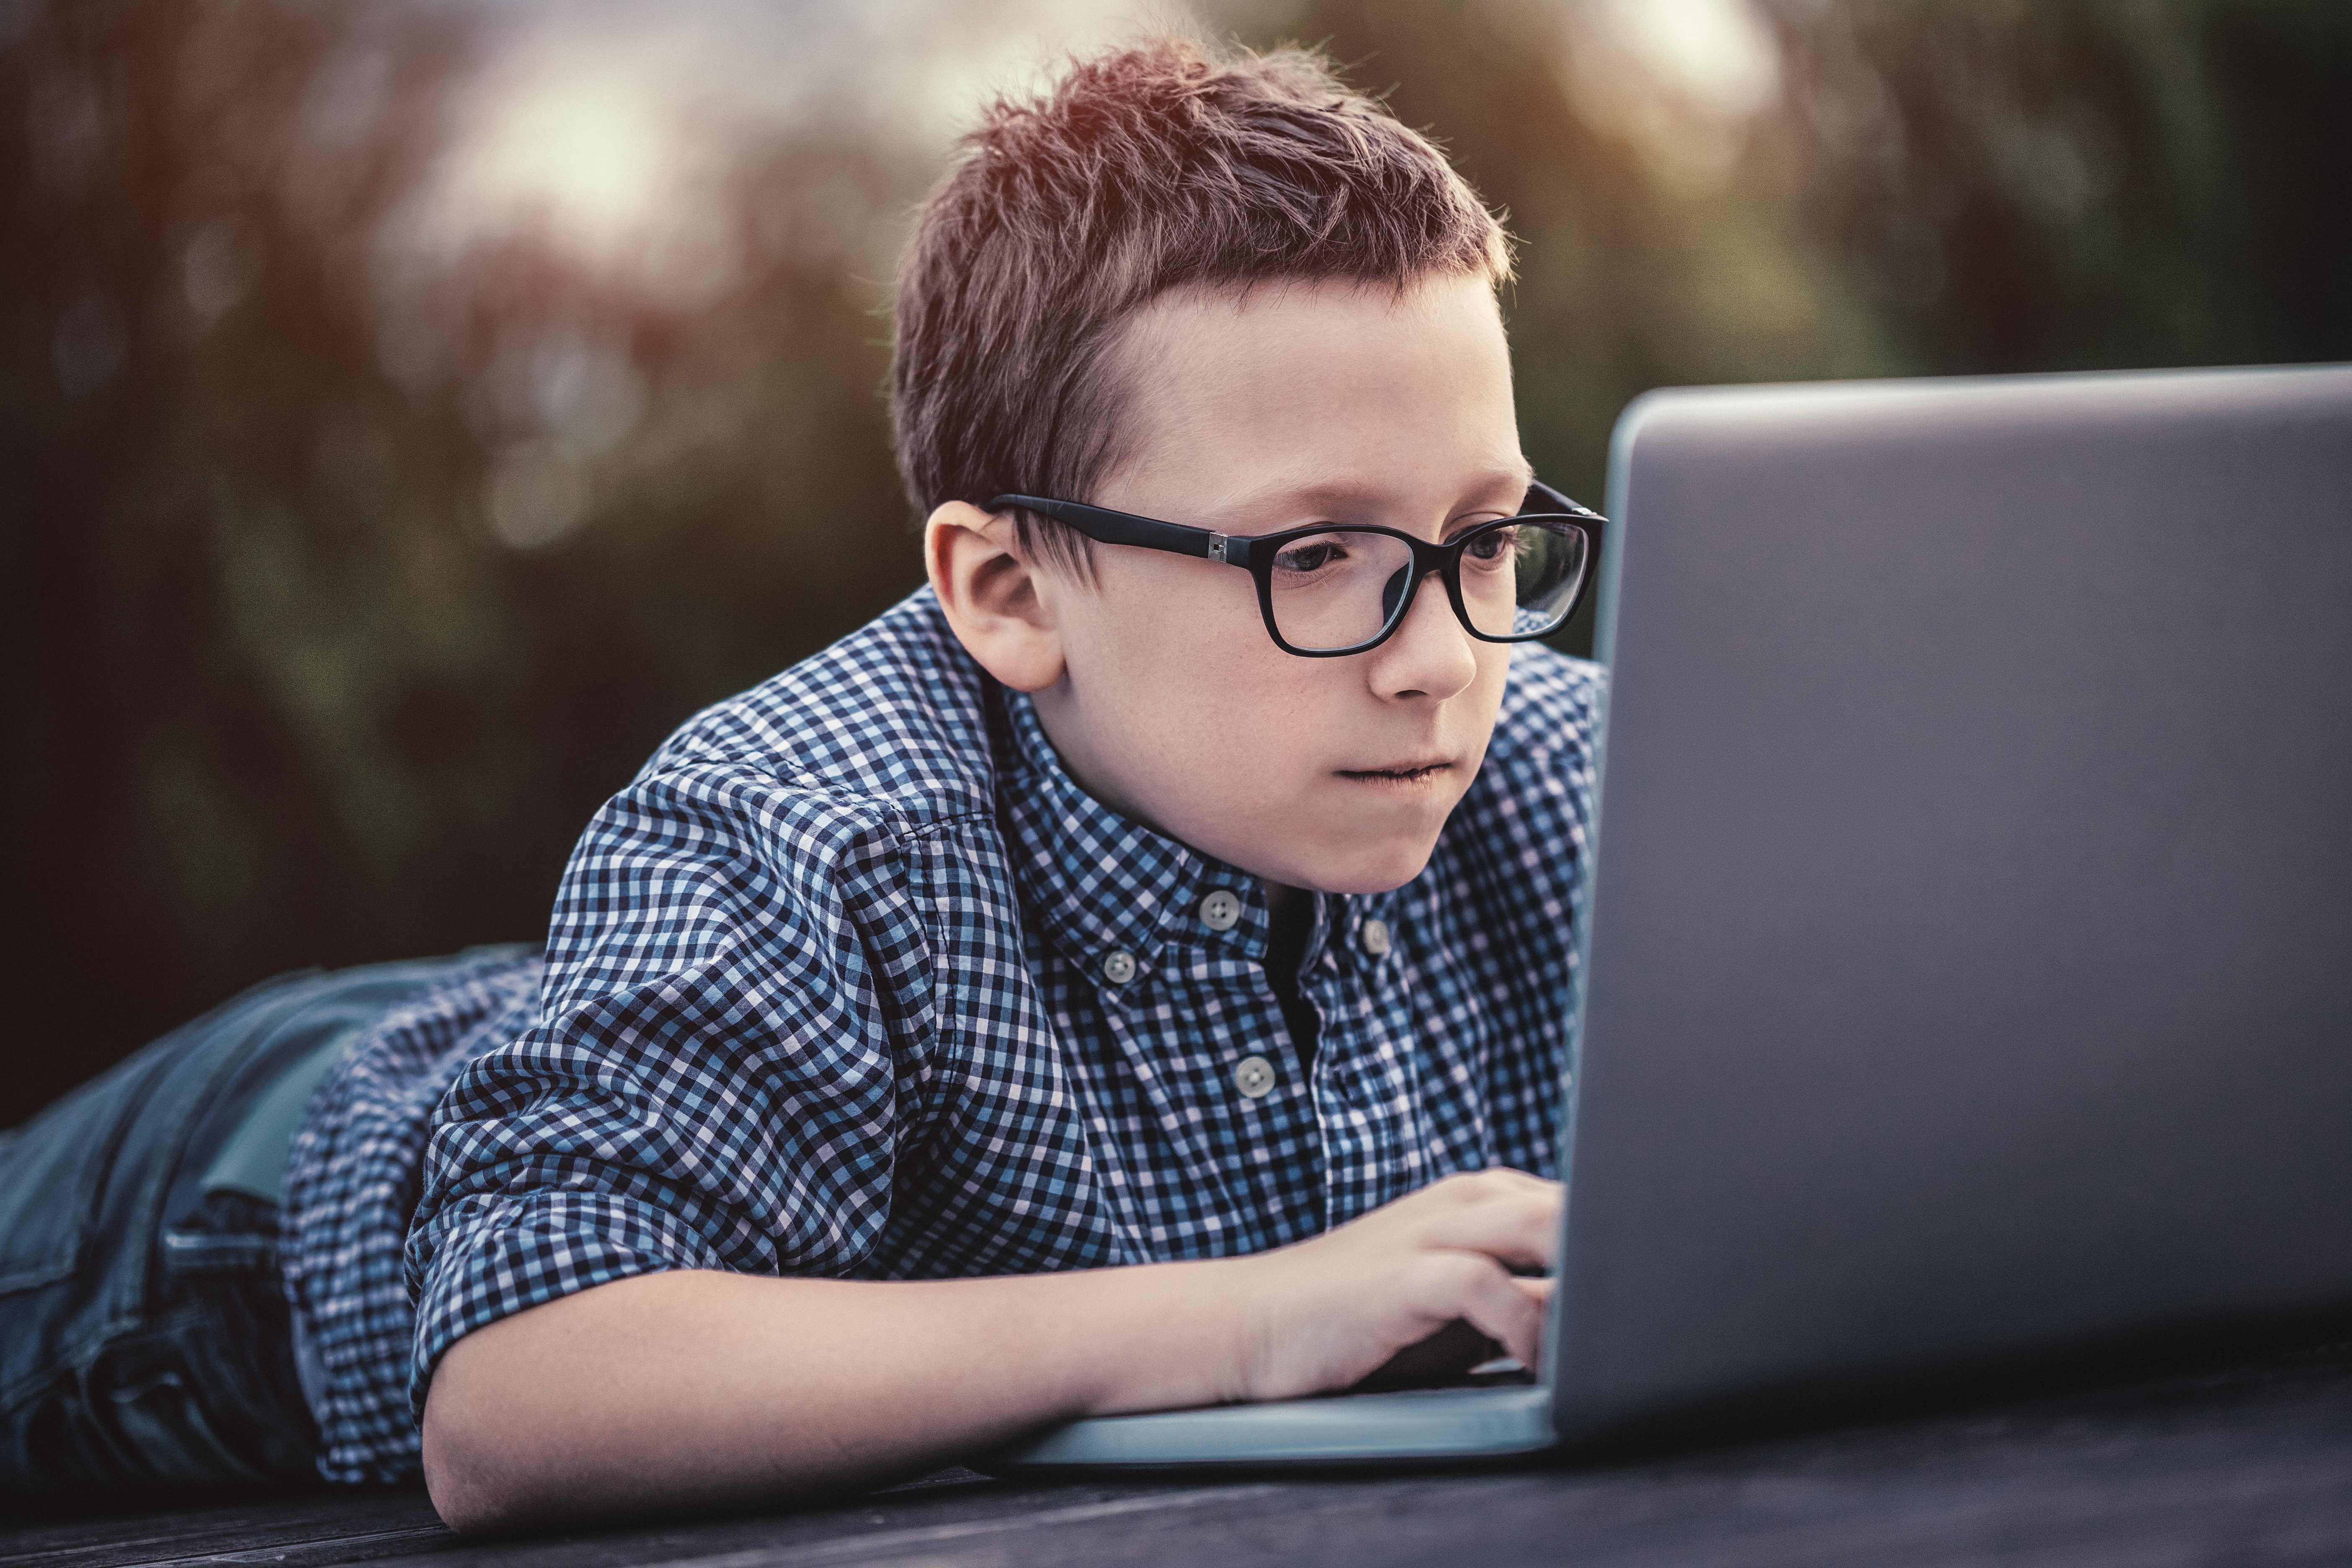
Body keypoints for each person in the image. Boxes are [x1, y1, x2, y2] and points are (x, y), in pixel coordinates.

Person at [0, 36, 1605, 1529]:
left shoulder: (1587, 776)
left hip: (636, 1038)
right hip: (196, 1238)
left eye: (1481, 539)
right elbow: (511, 1395)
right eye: (1317, 556)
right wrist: (1252, 1318)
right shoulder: (804, 821)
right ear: (1011, 595)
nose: (1442, 658)